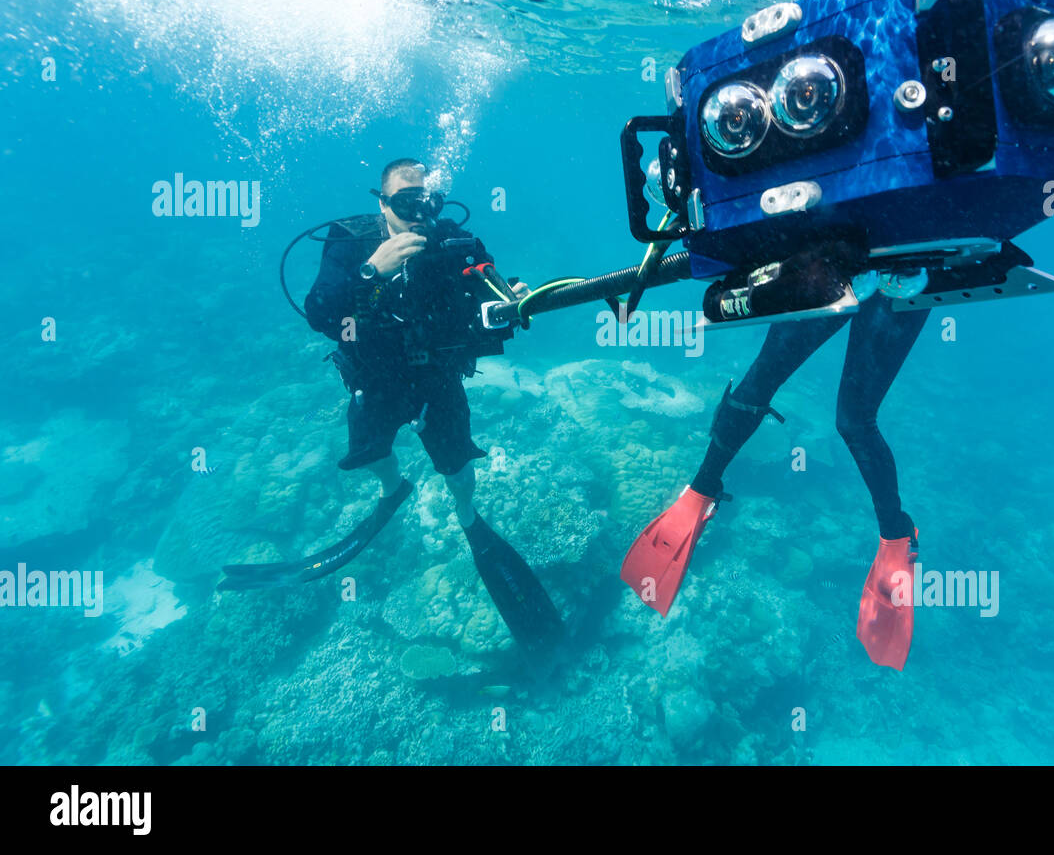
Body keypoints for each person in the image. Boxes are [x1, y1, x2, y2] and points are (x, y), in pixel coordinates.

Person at [221, 158, 563, 657]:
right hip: (375, 380)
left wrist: (511, 299)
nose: (420, 213)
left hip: (437, 381)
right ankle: (393, 486)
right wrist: (370, 270)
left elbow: (493, 290)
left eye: (429, 202)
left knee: (457, 465)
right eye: (406, 202)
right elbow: (319, 311)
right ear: (381, 203)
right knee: (370, 451)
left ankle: (467, 515)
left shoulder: (453, 242)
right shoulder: (351, 239)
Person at [621, 289, 928, 671]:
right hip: (835, 260)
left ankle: (896, 535)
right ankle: (701, 489)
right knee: (759, 380)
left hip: (903, 269)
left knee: (853, 419)